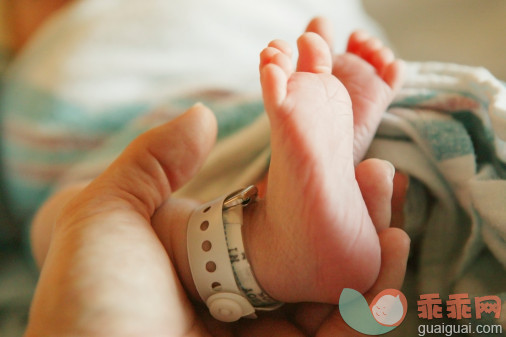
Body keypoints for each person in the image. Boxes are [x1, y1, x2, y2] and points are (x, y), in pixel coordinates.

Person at [25, 17, 410, 336]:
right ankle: (272, 215)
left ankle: (270, 221)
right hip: (207, 135)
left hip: (128, 181)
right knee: (86, 213)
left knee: (71, 216)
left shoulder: (47, 56)